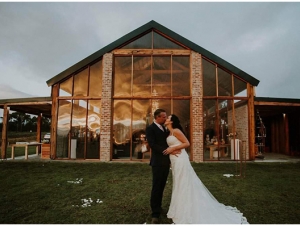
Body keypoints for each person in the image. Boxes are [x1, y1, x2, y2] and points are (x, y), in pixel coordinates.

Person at [163, 114, 249, 224]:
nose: (166, 119)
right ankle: (179, 207)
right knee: (178, 182)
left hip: (180, 159)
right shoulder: (169, 132)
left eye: (168, 118)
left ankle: (186, 208)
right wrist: (171, 150)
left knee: (183, 181)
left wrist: (173, 148)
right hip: (174, 159)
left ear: (172, 121)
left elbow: (187, 143)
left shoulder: (176, 131)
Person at [146, 109, 180, 224]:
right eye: (164, 117)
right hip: (157, 162)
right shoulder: (150, 129)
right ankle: (155, 214)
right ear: (157, 117)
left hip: (166, 162)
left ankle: (158, 206)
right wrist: (168, 151)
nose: (165, 119)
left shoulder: (165, 128)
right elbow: (152, 144)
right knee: (156, 187)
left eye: (166, 117)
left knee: (162, 186)